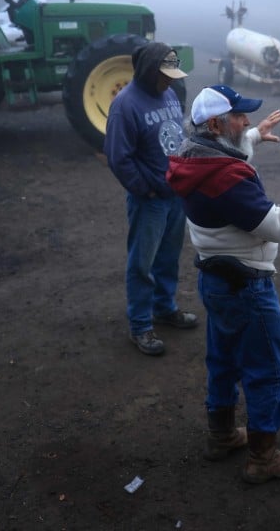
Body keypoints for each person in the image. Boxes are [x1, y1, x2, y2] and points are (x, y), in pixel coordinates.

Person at [166, 84, 280, 484]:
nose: (245, 122)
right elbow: (276, 226)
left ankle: (221, 435)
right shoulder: (226, 178)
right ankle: (264, 458)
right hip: (247, 286)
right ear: (214, 123)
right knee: (265, 370)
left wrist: (254, 134)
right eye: (239, 117)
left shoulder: (193, 158)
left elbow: (229, 151)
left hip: (216, 279)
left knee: (222, 361)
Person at [105, 42, 198, 356]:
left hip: (176, 195)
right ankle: (141, 325)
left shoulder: (169, 94)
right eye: (165, 75)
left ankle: (164, 308)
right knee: (142, 264)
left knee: (168, 258)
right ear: (148, 71)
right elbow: (119, 158)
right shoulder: (125, 105)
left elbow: (177, 136)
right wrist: (147, 189)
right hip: (151, 200)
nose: (171, 80)